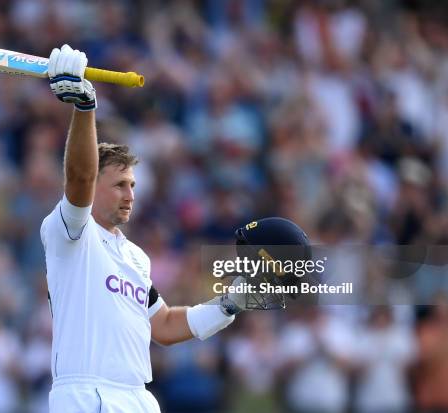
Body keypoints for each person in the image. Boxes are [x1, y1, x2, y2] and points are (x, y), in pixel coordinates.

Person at [39, 44, 310, 413]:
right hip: (87, 396)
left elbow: (164, 326)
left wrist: (230, 303)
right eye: (119, 184)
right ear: (95, 187)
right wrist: (85, 107)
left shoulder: (134, 257)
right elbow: (80, 174)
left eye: (133, 185)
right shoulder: (69, 232)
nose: (130, 194)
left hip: (137, 397)